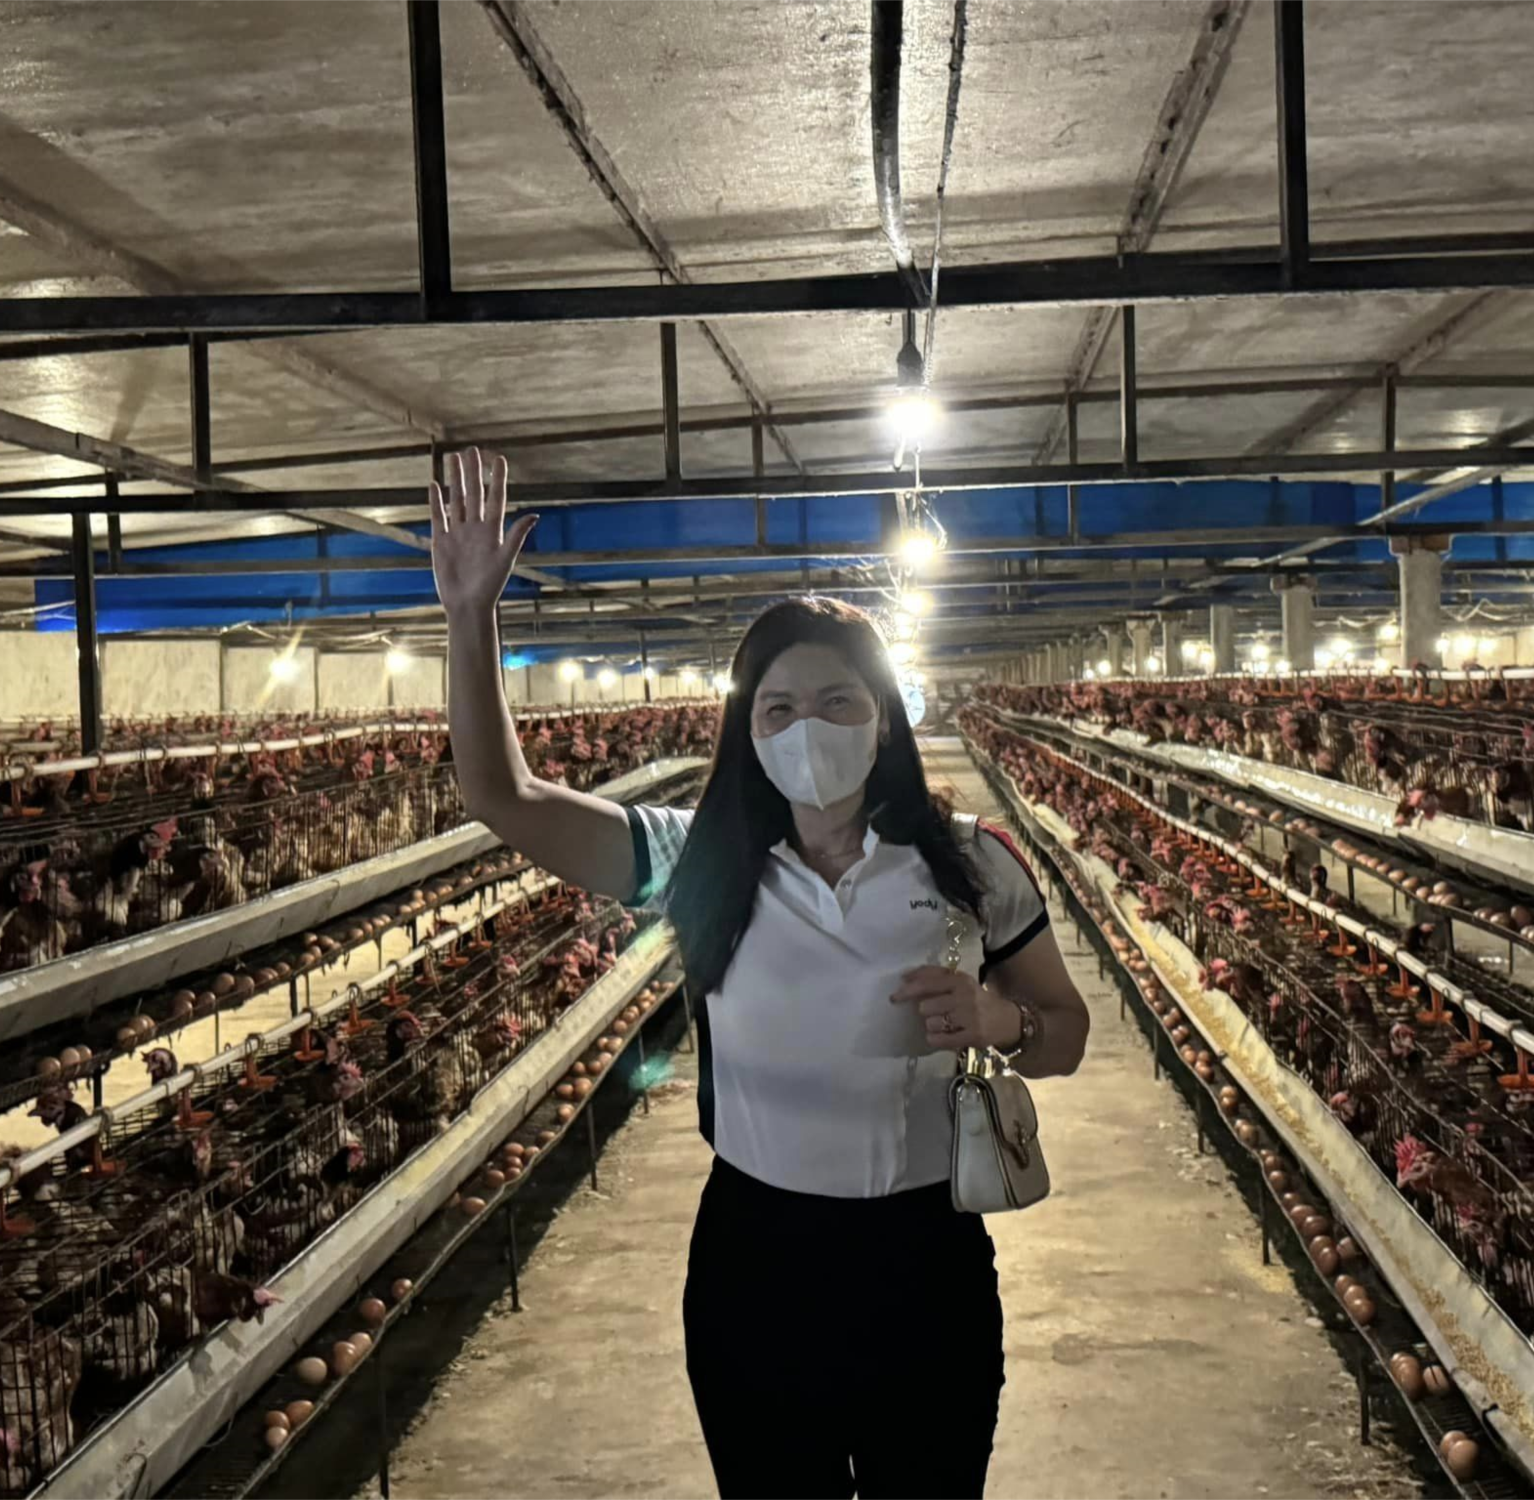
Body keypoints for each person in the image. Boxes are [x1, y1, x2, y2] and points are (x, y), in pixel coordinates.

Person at [432, 448, 1090, 1498]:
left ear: (884, 718)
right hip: (759, 1261)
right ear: (748, 732)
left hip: (926, 1257)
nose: (806, 728)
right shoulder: (695, 860)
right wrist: (470, 618)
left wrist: (999, 1021)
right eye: (777, 710)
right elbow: (501, 796)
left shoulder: (973, 865)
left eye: (836, 702)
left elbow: (1066, 1034)